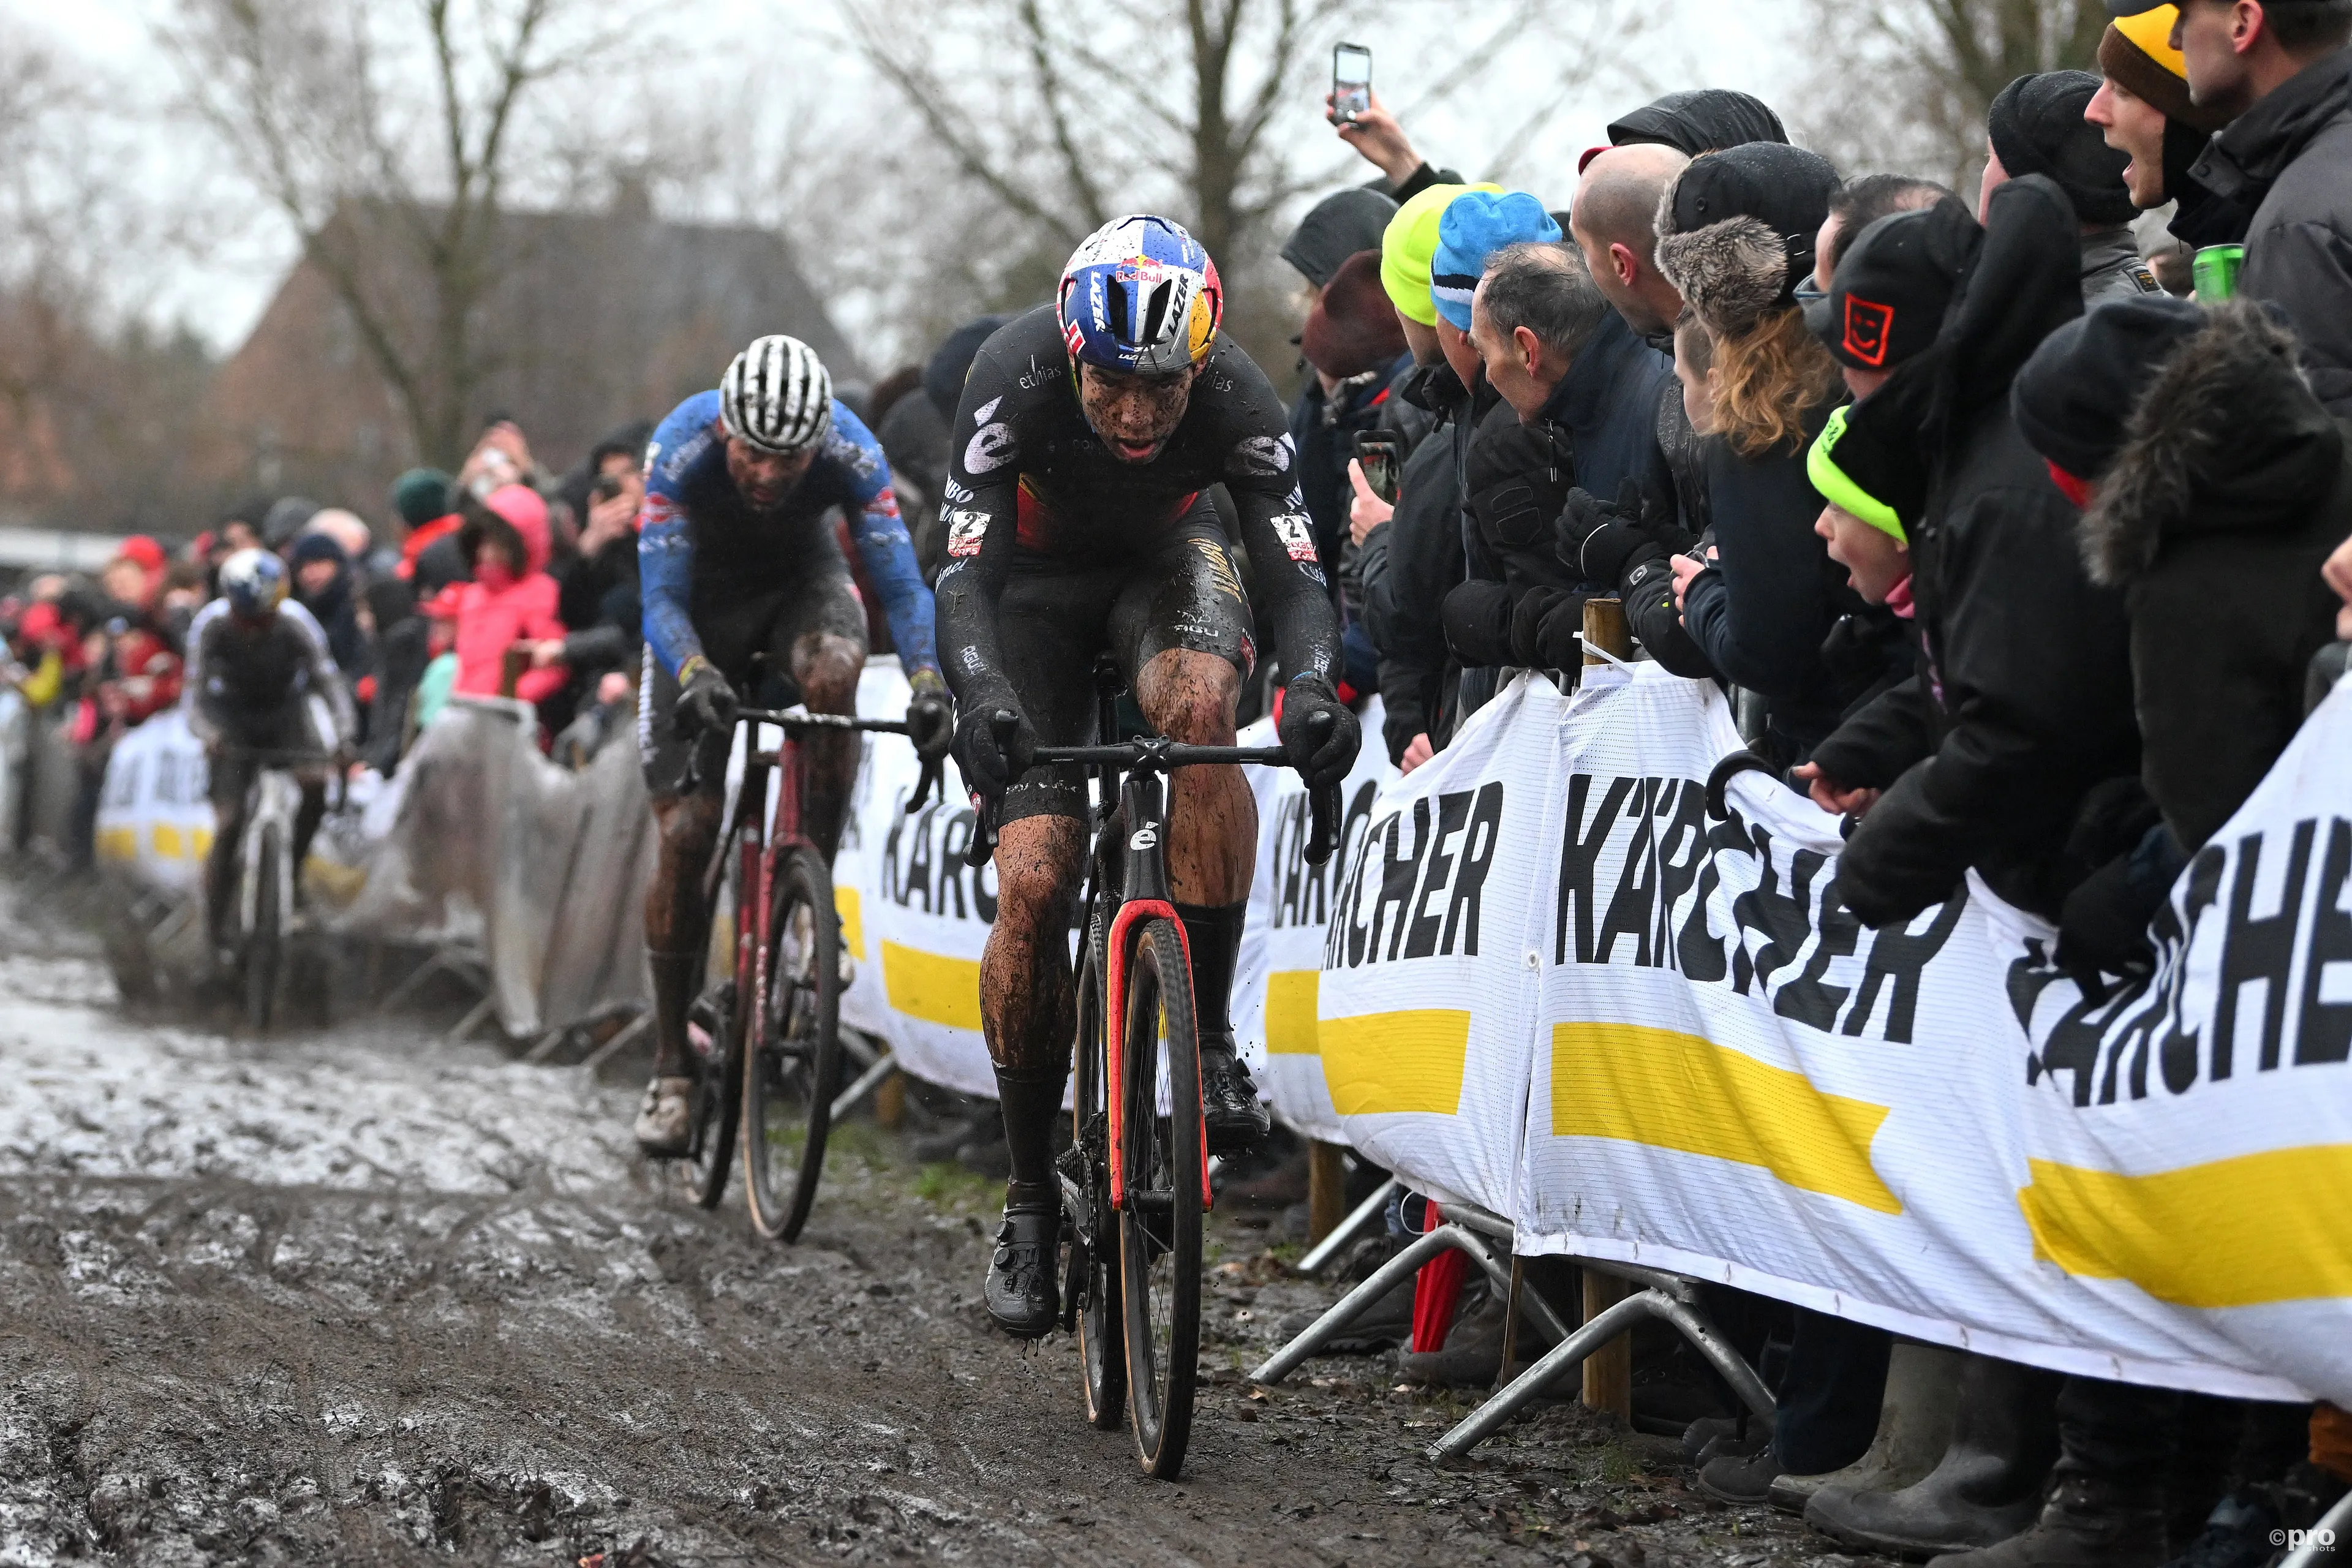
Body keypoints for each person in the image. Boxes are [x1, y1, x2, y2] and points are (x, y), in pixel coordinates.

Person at [933, 214, 1360, 1337]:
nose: (1133, 414)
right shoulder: (1009, 377)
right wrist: (983, 701)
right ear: (1074, 356)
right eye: (1112, 387)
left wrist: (1315, 689)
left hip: (1169, 567)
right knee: (1033, 882)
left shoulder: (1239, 399)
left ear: (1200, 367)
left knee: (1206, 709)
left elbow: (1299, 579)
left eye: (1160, 391)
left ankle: (1206, 1035)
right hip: (1027, 594)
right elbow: (965, 583)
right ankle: (1029, 1200)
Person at [631, 334, 951, 1157]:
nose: (770, 475)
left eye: (789, 459)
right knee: (687, 833)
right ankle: (671, 1068)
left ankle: (810, 900)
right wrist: (697, 669)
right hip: (695, 615)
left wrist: (925, 679)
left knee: (837, 673)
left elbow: (900, 584)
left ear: (818, 443)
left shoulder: (852, 447)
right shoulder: (679, 446)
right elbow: (659, 596)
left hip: (800, 588)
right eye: (753, 456)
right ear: (726, 430)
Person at [2157, 0, 2352, 410]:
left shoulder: (2300, 224)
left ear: (2243, 24)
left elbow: (2316, 461)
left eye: (2183, 16)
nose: (2174, 40)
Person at [183, 549, 355, 965]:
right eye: (249, 620)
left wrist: (344, 739)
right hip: (232, 717)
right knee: (229, 822)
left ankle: (292, 870)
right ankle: (216, 924)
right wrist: (209, 735)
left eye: (266, 619)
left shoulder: (296, 622)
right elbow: (194, 694)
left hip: (283, 711)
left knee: (315, 783)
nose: (258, 628)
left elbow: (328, 682)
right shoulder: (212, 625)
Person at [1980, 71, 2161, 300]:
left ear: (2025, 187)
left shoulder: (2071, 326)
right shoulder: (2144, 306)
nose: (1985, 175)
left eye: (1990, 157)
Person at [2086, 5, 2247, 247]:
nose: (2092, 112)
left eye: (2122, 90)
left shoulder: (2281, 238)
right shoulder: (2251, 237)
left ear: (2189, 119)